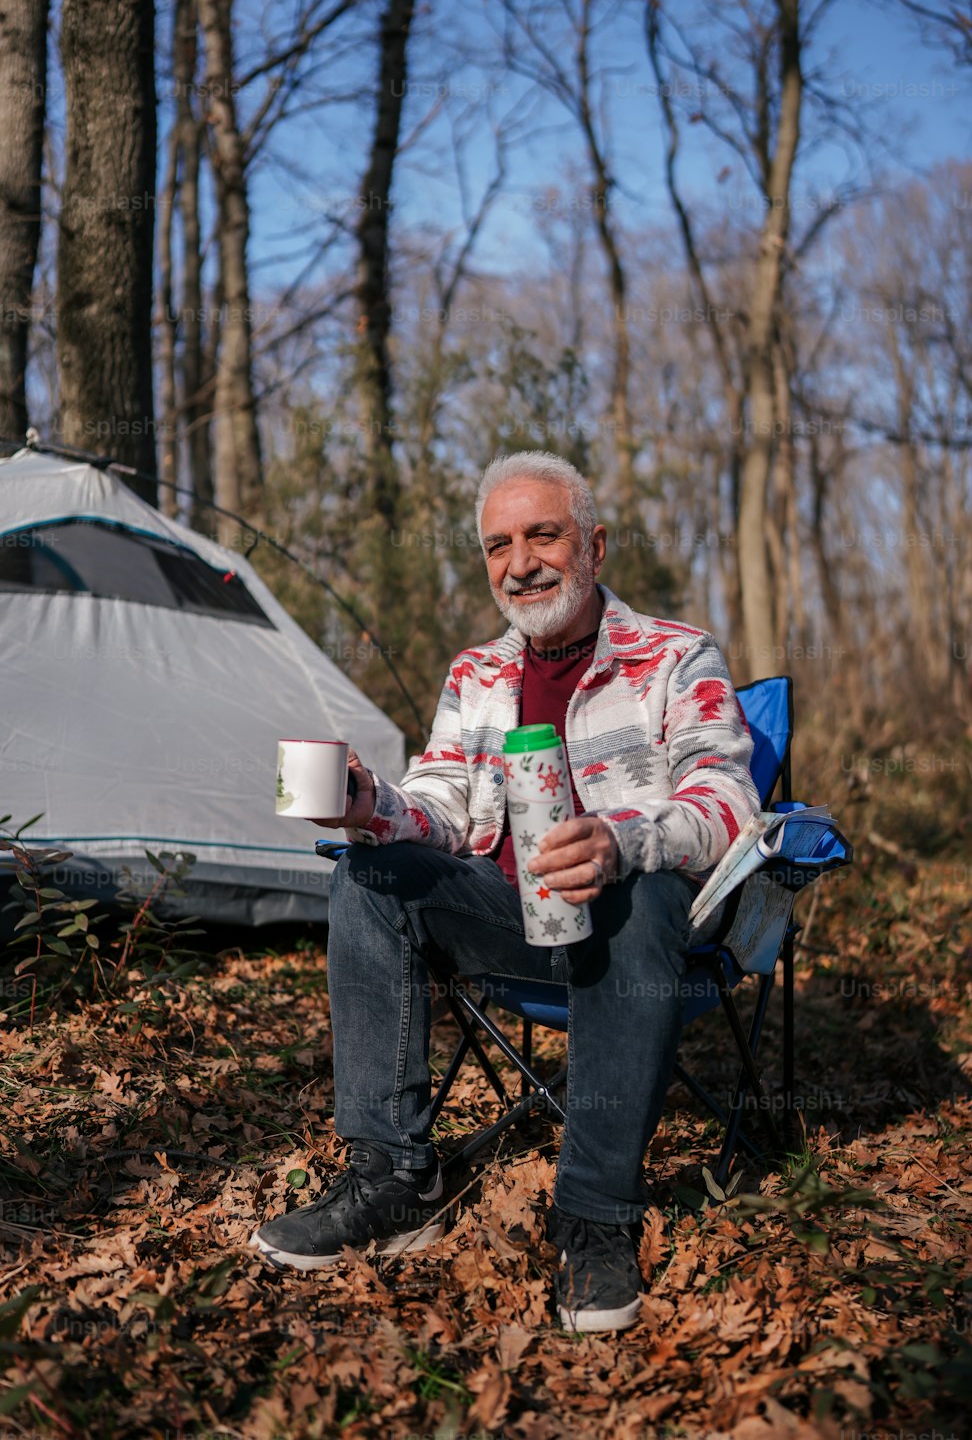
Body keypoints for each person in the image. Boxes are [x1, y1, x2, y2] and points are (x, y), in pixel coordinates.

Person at [251, 451, 760, 1332]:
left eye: (543, 535)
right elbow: (445, 804)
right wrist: (375, 807)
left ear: (593, 545)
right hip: (510, 921)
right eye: (498, 545)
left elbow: (727, 802)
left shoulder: (676, 657)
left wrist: (623, 843)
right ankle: (393, 1178)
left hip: (634, 934)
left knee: (639, 893)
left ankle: (596, 1220)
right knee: (369, 874)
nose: (519, 562)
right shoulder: (476, 675)